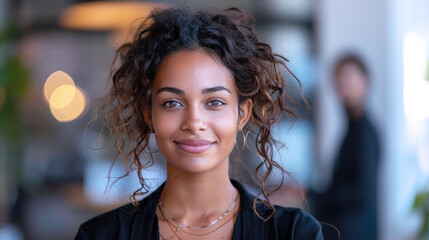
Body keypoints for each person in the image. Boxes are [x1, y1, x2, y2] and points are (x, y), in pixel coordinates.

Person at [74, 7, 323, 240]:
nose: (194, 122)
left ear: (242, 114)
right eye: (172, 103)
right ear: (148, 115)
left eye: (214, 102)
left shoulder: (294, 233)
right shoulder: (101, 235)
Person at [315, 54, 380, 240]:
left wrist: (313, 194)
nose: (342, 84)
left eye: (348, 77)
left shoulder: (365, 132)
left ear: (365, 82)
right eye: (338, 78)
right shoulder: (352, 128)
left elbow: (360, 194)